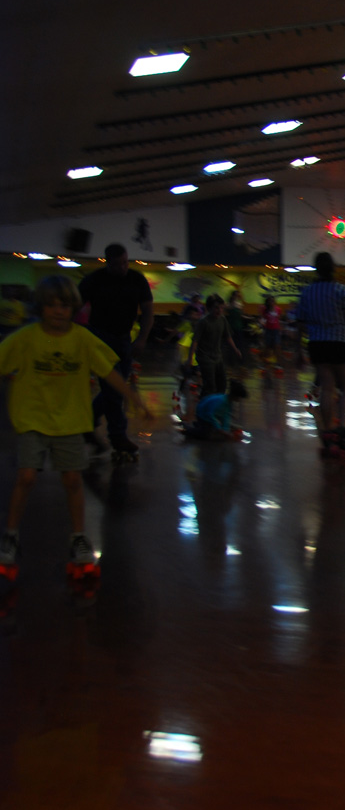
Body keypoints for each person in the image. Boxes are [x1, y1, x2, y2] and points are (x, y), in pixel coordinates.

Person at [0, 277, 152, 579]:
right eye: (52, 306)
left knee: (72, 480)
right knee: (26, 476)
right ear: (41, 308)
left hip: (70, 421)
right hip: (33, 418)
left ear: (74, 308)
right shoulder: (26, 338)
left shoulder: (82, 339)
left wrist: (133, 397)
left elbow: (109, 371)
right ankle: (11, 535)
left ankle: (79, 537)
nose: (59, 312)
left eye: (65, 306)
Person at [77, 243, 154, 458]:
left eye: (125, 262)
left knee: (117, 387)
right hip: (98, 338)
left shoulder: (136, 279)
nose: (123, 268)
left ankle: (88, 420)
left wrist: (142, 338)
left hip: (124, 339)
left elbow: (148, 311)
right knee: (114, 388)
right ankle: (117, 435)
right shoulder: (94, 280)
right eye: (117, 264)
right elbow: (73, 306)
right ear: (107, 262)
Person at [296, 252, 345, 448]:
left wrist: (299, 349)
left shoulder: (306, 293)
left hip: (317, 345)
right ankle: (343, 426)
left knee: (327, 388)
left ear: (316, 269)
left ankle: (328, 430)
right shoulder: (344, 291)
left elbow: (300, 324)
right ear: (334, 268)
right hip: (341, 344)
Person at [188, 294, 241, 397]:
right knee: (210, 386)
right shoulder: (203, 322)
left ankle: (216, 405)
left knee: (222, 384)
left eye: (221, 308)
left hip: (217, 356)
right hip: (205, 357)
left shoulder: (222, 320)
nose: (219, 310)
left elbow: (228, 336)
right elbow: (195, 341)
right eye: (216, 308)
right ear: (209, 308)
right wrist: (190, 359)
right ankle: (203, 407)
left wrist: (235, 349)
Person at [183, 379, 249, 440]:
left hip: (212, 415)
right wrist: (219, 429)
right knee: (206, 435)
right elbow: (209, 415)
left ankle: (201, 426)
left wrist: (225, 429)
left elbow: (226, 417)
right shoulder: (221, 401)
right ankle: (187, 428)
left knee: (229, 429)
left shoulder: (229, 403)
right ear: (235, 396)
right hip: (202, 415)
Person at [259, 295, 283, 367]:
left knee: (277, 346)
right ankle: (264, 362)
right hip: (268, 330)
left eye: (272, 301)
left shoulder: (278, 309)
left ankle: (278, 363)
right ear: (268, 302)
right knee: (267, 347)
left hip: (276, 330)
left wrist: (281, 329)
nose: (271, 302)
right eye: (270, 301)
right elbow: (262, 319)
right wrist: (262, 324)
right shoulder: (265, 310)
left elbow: (279, 319)